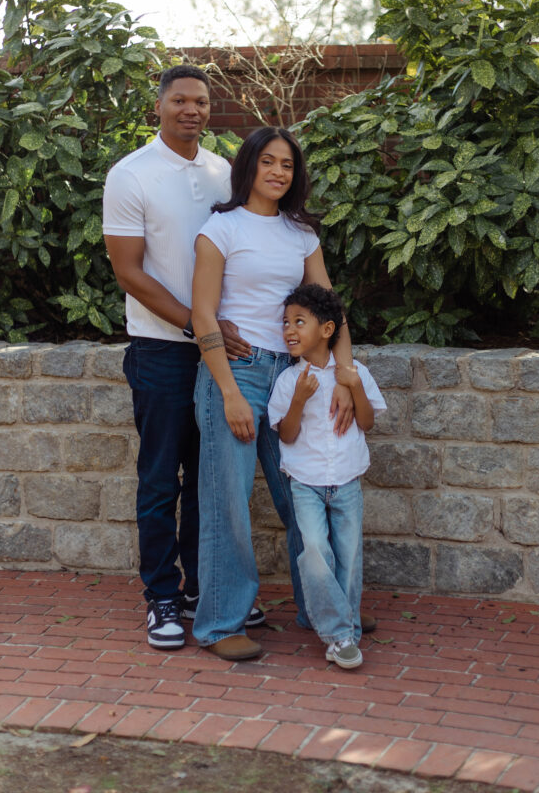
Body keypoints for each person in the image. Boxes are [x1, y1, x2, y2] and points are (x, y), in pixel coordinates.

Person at [191, 126, 364, 661]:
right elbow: (203, 315)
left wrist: (344, 376)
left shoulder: (300, 234)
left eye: (287, 164)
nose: (278, 172)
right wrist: (228, 393)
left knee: (302, 496)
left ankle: (326, 611)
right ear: (249, 166)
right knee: (228, 501)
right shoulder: (220, 229)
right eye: (268, 161)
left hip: (293, 376)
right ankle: (221, 625)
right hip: (238, 373)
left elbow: (331, 309)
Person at [102, 64, 260, 651]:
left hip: (217, 350)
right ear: (160, 106)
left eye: (201, 101)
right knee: (160, 480)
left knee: (208, 480)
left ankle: (202, 590)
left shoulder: (223, 172)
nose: (191, 110)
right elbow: (129, 272)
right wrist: (198, 325)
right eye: (180, 100)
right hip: (161, 348)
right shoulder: (131, 174)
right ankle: (162, 596)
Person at [267, 284, 386, 669]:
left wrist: (354, 386)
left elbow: (366, 422)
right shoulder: (289, 381)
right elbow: (286, 435)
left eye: (299, 321)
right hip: (305, 483)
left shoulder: (355, 373)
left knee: (348, 558)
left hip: (347, 481)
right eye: (286, 322)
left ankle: (345, 633)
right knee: (316, 551)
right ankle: (338, 634)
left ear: (327, 329)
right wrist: (299, 400)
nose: (289, 329)